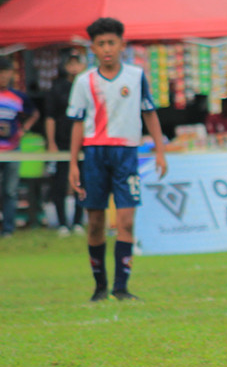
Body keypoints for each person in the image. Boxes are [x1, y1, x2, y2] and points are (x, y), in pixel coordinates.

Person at [67, 18, 168, 301]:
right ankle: (99, 286)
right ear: (93, 49)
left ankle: (121, 288)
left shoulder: (136, 76)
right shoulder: (83, 81)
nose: (107, 49)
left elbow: (149, 113)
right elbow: (77, 123)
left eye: (112, 42)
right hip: (95, 154)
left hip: (126, 154)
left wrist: (160, 151)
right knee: (96, 221)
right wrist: (73, 163)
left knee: (126, 220)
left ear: (122, 45)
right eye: (101, 44)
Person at [45, 52, 87, 236]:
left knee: (83, 181)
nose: (74, 67)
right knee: (60, 182)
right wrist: (51, 142)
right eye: (70, 63)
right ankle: (62, 223)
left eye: (77, 63)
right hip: (63, 143)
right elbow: (50, 117)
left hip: (85, 143)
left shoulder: (87, 86)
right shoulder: (57, 88)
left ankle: (78, 221)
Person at [0, 56, 40, 238]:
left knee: (9, 190)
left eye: (6, 72)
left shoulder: (18, 97)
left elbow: (34, 113)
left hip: (12, 150)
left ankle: (8, 228)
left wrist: (23, 129)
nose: (3, 76)